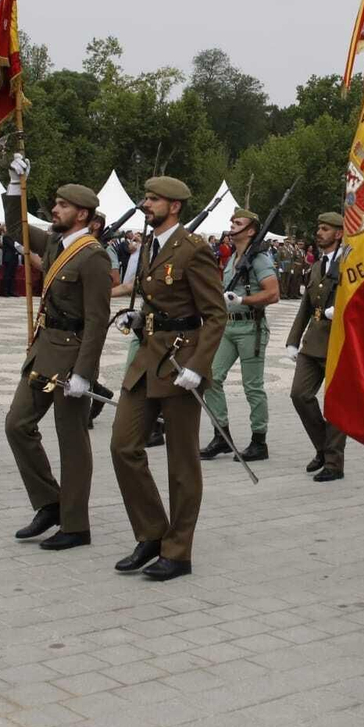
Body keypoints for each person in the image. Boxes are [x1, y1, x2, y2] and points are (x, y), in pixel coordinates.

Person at [106, 176, 225, 581]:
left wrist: (199, 365)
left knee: (181, 462)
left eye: (153, 199)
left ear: (174, 206)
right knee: (123, 445)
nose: (145, 204)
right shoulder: (150, 247)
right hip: (148, 357)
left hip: (180, 364)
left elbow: (215, 313)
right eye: (146, 198)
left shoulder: (194, 250)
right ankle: (152, 532)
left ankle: (178, 551)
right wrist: (140, 318)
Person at [2, 159, 113, 551]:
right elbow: (15, 228)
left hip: (71, 361)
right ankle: (49, 502)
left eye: (62, 206)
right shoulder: (53, 243)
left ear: (81, 213)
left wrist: (85, 372)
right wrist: (16, 184)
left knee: (72, 442)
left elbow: (99, 321)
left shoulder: (93, 256)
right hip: (43, 350)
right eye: (55, 204)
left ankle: (76, 525)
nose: (55, 209)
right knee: (17, 424)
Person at [200, 208, 280, 463]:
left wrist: (243, 299)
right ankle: (221, 435)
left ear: (251, 230)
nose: (231, 226)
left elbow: (273, 293)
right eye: (232, 222)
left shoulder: (259, 259)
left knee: (252, 387)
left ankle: (259, 441)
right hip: (228, 327)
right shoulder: (234, 257)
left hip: (250, 328)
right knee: (211, 377)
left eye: (238, 223)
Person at [285, 213, 348, 481]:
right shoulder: (317, 266)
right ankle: (323, 448)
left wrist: (344, 309)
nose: (319, 232)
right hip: (313, 341)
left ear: (339, 234)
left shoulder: (351, 263)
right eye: (318, 227)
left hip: (339, 341)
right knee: (299, 394)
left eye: (325, 229)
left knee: (336, 404)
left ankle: (334, 463)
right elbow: (305, 307)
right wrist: (292, 340)